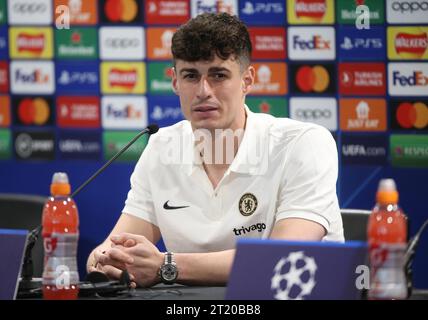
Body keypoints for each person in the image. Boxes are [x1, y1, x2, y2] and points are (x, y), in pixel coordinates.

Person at [87, 12, 344, 287]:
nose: (203, 91)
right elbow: (118, 246)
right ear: (175, 82)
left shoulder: (304, 143)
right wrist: (106, 258)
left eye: (218, 75)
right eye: (191, 76)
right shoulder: (162, 147)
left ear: (247, 80)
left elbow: (282, 258)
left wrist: (167, 266)